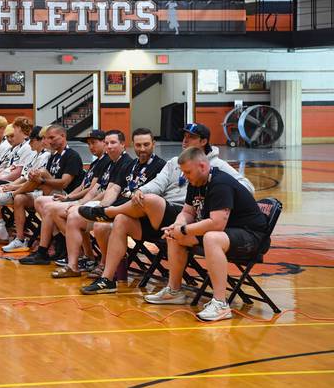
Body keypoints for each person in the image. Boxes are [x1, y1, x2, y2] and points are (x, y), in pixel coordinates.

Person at [77, 123, 255, 294]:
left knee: (150, 200)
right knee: (123, 219)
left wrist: (216, 196)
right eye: (184, 136)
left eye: (191, 137)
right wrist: (141, 190)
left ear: (203, 141)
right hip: (168, 219)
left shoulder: (216, 166)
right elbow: (158, 183)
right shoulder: (174, 162)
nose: (185, 141)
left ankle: (108, 212)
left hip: (189, 217)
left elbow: (247, 187)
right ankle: (107, 279)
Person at [144, 147, 269, 322]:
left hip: (251, 237)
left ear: (202, 166)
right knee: (174, 236)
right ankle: (174, 291)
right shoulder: (195, 182)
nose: (185, 176)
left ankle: (221, 304)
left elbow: (217, 223)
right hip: (227, 233)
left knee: (211, 238)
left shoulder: (220, 183)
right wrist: (178, 225)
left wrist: (186, 230)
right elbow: (187, 212)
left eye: (188, 172)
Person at [21, 129, 134, 266]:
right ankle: (68, 248)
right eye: (107, 143)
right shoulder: (105, 162)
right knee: (49, 206)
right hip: (93, 201)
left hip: (109, 207)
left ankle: (79, 253)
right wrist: (73, 200)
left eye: (112, 143)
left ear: (123, 144)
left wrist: (77, 202)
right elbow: (92, 188)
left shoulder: (119, 162)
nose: (92, 146)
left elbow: (99, 190)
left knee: (58, 211)